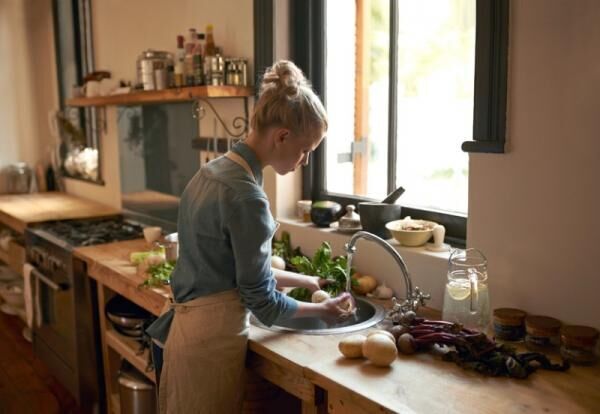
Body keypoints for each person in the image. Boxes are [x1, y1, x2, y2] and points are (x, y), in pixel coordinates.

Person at [146, 60, 351, 413]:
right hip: (208, 347)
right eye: (305, 150)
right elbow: (264, 304)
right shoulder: (248, 198)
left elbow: (234, 272)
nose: (304, 161)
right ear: (282, 136)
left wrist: (307, 278)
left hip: (187, 334)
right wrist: (322, 312)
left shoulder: (211, 172)